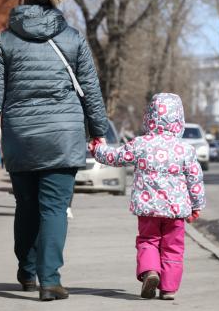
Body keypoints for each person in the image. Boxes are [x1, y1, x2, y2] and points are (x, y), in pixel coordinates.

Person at [0, 0, 108, 301]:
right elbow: (90, 89)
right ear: (54, 2)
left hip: (21, 137)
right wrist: (99, 132)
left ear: (25, 1)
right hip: (63, 137)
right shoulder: (73, 38)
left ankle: (26, 268)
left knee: (25, 206)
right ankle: (49, 280)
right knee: (53, 208)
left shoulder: (6, 41)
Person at [90, 93, 206, 301]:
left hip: (148, 208)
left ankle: (151, 271)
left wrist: (98, 149)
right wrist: (196, 205)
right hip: (175, 211)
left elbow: (116, 157)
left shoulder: (141, 144)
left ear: (149, 117)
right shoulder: (185, 150)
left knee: (148, 240)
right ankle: (169, 288)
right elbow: (195, 180)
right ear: (179, 119)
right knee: (173, 247)